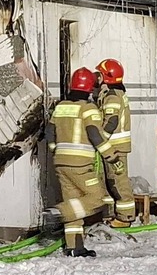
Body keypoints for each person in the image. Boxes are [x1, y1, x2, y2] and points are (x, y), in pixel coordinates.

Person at [51, 66, 115, 255]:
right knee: (97, 198)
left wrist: (57, 152)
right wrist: (112, 156)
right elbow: (95, 136)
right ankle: (57, 213)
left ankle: (74, 247)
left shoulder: (60, 106)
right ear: (89, 88)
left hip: (60, 163)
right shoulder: (88, 109)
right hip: (80, 165)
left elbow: (49, 133)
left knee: (75, 202)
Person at [94, 58, 137, 224]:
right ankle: (109, 215)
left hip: (115, 148)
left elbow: (111, 122)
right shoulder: (113, 94)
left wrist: (99, 140)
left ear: (106, 77)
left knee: (118, 182)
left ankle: (126, 217)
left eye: (99, 75)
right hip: (112, 147)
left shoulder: (112, 97)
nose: (96, 78)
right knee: (107, 182)